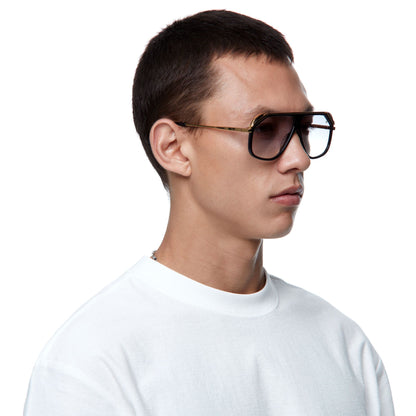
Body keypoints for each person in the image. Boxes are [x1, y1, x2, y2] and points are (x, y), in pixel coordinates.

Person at [24, 10, 394, 415]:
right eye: (265, 129)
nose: (299, 158)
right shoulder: (92, 364)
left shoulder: (345, 346)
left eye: (302, 129)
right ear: (174, 148)